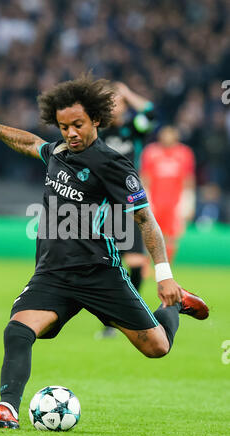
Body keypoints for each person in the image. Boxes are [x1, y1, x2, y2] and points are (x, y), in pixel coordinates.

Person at [0, 74, 208, 429]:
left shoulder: (113, 164)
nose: (70, 133)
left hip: (97, 271)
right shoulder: (58, 151)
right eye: (63, 126)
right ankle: (8, 410)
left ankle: (174, 304)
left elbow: (146, 221)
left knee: (157, 348)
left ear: (96, 121)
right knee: (17, 330)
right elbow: (30, 143)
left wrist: (165, 277)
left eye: (77, 125)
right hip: (53, 273)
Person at [98, 82, 157, 338]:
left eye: (118, 103)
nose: (115, 108)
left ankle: (129, 315)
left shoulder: (133, 130)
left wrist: (127, 93)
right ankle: (109, 321)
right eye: (110, 104)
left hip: (129, 203)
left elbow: (151, 113)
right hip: (101, 205)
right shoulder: (96, 132)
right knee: (104, 264)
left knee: (134, 262)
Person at [140, 126, 196, 264]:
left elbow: (188, 179)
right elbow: (145, 176)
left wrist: (188, 201)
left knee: (172, 236)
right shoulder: (151, 152)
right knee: (149, 232)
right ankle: (145, 265)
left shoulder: (185, 153)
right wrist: (145, 198)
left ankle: (167, 265)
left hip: (174, 203)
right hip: (155, 200)